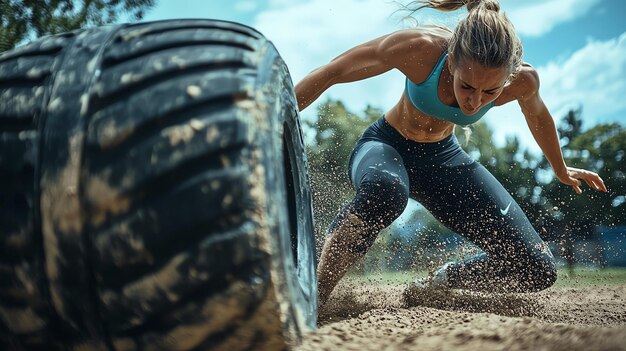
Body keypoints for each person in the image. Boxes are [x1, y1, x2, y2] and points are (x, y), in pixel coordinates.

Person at [295, 0, 608, 307]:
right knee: (385, 191)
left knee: (537, 269)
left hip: (444, 162)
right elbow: (332, 71)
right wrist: (275, 122)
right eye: (467, 85)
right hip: (387, 148)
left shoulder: (522, 80)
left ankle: (442, 280)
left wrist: (560, 168)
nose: (474, 102)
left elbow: (538, 115)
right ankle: (315, 297)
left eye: (490, 92)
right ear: (452, 61)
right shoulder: (420, 49)